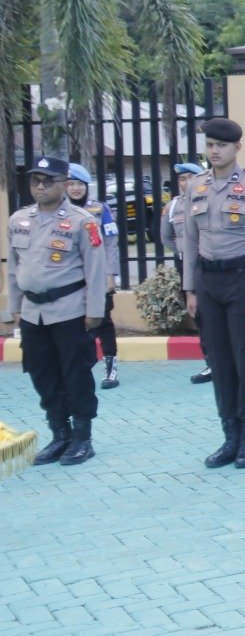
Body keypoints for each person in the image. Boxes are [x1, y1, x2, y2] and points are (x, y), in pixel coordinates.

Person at [183, 118, 245, 470]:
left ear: (237, 147)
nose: (214, 151)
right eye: (209, 145)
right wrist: (189, 289)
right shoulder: (195, 186)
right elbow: (190, 242)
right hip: (208, 282)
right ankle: (230, 435)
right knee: (220, 361)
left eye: (221, 145)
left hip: (242, 278)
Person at [8, 157, 109, 466]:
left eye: (48, 180)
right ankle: (60, 434)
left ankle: (82, 437)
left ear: (65, 184)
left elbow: (95, 270)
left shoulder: (82, 221)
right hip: (32, 313)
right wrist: (13, 308)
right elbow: (14, 269)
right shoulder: (19, 220)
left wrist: (95, 311)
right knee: (42, 373)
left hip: (69, 311)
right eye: (35, 180)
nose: (40, 186)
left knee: (75, 373)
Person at [66, 164, 121, 389]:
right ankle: (82, 367)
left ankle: (110, 368)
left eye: (80, 184)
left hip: (98, 278)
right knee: (75, 324)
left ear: (87, 186)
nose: (76, 188)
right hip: (71, 279)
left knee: (103, 322)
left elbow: (111, 244)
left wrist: (110, 275)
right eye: (71, 184)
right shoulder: (61, 212)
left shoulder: (100, 210)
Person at [162, 162, 213, 384]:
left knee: (215, 314)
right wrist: (183, 252)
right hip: (186, 265)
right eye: (182, 179)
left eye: (190, 177)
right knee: (199, 315)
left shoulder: (208, 199)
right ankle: (210, 362)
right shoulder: (172, 207)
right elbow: (165, 237)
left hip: (209, 264)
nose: (185, 183)